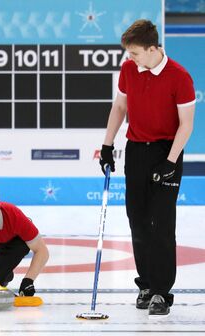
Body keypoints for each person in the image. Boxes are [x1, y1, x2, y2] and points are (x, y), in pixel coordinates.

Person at [99, 19, 195, 318]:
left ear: (153, 48)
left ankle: (162, 292)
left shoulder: (179, 76)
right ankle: (146, 284)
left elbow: (186, 125)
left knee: (161, 225)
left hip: (167, 151)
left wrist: (170, 161)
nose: (131, 59)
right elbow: (119, 108)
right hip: (136, 151)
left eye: (136, 53)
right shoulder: (129, 70)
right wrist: (106, 144)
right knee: (138, 221)